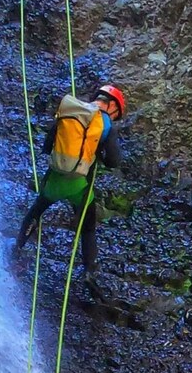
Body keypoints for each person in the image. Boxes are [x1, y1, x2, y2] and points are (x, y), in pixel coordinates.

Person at [14, 85, 126, 281]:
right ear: (113, 107)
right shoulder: (106, 124)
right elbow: (114, 161)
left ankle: (17, 248)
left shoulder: (71, 110)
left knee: (36, 212)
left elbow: (47, 145)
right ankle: (90, 272)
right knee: (88, 227)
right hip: (80, 187)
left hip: (54, 181)